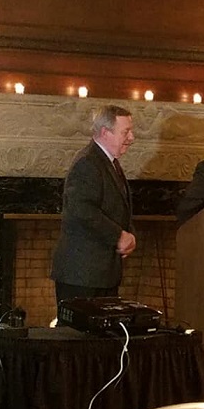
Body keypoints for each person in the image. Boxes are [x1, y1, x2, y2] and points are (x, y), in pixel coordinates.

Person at [51, 105, 136, 306]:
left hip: (100, 274)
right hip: (82, 275)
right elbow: (82, 209)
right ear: (105, 133)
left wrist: (129, 234)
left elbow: (116, 207)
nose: (131, 138)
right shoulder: (88, 162)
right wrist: (119, 235)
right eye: (125, 132)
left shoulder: (108, 162)